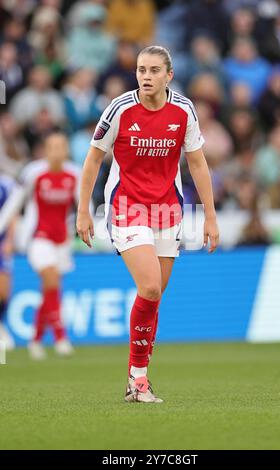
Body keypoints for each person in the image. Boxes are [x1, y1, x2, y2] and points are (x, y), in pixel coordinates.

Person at [76, 46, 219, 403]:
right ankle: (138, 379)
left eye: (154, 70)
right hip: (127, 204)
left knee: (153, 298)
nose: (146, 76)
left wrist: (210, 217)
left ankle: (136, 378)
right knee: (151, 286)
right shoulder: (120, 108)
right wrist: (82, 210)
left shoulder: (184, 110)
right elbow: (93, 160)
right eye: (141, 69)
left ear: (169, 75)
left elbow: (198, 164)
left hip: (168, 209)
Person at [0, 132, 81, 359]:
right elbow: (14, 204)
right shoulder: (34, 172)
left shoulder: (74, 173)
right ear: (46, 150)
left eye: (61, 146)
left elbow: (83, 203)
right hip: (39, 238)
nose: (57, 151)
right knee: (51, 278)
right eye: (52, 146)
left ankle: (35, 340)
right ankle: (60, 338)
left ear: (66, 150)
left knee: (50, 291)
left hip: (62, 240)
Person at [0, 172, 16, 350]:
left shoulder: (5, 184)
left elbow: (12, 215)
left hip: (1, 243)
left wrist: (10, 240)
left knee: (4, 291)